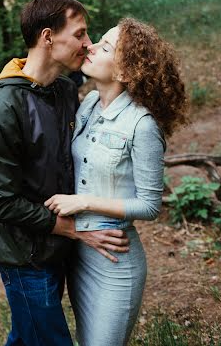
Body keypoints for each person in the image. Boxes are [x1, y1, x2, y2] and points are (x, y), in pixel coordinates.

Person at [0, 0, 130, 346]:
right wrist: (72, 228)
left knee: (28, 334)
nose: (88, 45)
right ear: (48, 37)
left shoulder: (63, 90)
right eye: (80, 34)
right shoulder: (3, 106)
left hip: (56, 248)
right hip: (25, 258)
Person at [45, 17, 188, 346]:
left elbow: (151, 205)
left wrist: (84, 202)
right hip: (80, 252)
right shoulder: (90, 104)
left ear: (125, 72)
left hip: (115, 262)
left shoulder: (143, 126)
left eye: (105, 47)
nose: (90, 47)